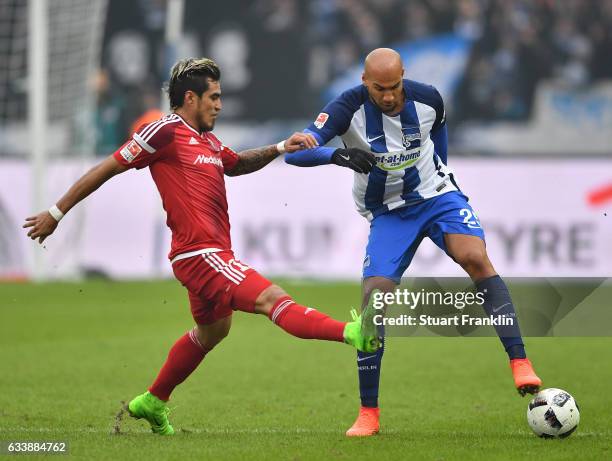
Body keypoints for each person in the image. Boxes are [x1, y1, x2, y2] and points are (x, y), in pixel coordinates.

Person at [23, 57, 380, 436]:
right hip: (201, 254)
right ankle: (350, 333)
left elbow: (236, 164)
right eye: (214, 97)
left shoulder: (208, 140)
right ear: (190, 98)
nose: (219, 105)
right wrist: (56, 213)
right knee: (271, 299)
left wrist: (279, 147)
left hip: (207, 254)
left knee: (213, 332)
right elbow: (107, 168)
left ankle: (153, 400)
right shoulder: (162, 131)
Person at [285, 48, 542, 437]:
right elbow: (295, 157)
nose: (388, 96)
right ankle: (368, 413)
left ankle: (520, 361)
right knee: (375, 298)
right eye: (378, 89)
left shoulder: (428, 98)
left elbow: (439, 126)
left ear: (403, 76)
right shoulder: (344, 108)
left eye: (394, 87)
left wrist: (441, 168)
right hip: (388, 212)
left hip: (437, 197)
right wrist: (337, 155)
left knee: (476, 259)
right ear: (363, 81)